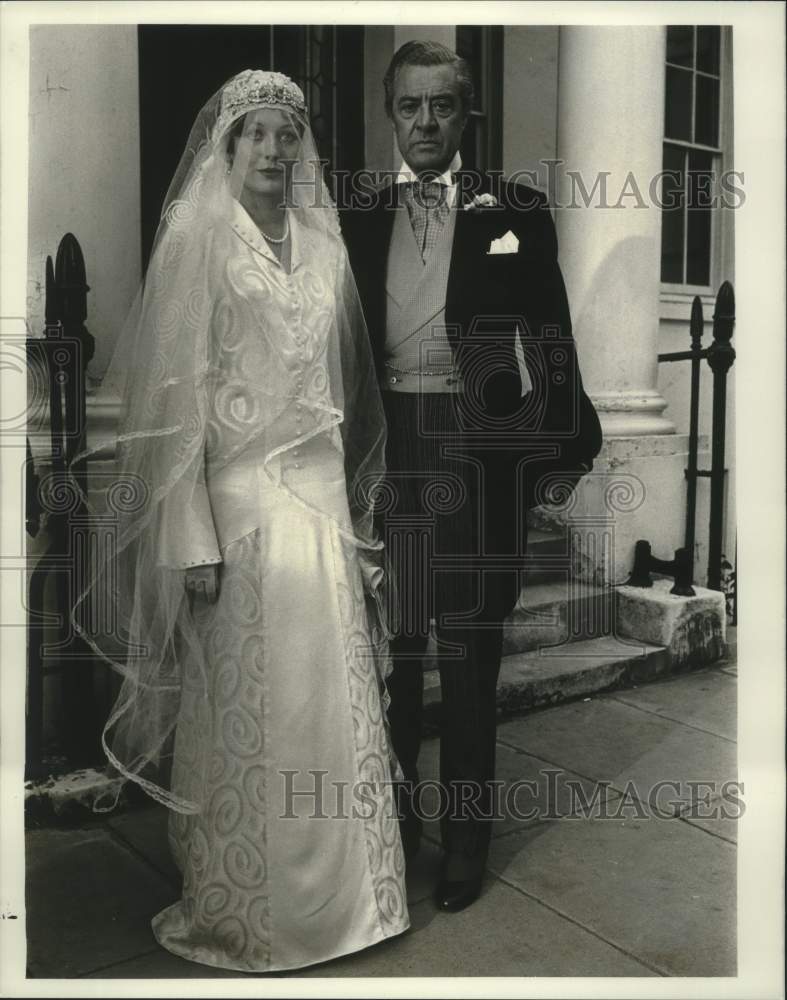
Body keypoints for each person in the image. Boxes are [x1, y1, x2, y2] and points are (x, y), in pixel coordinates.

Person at [73, 69, 409, 973]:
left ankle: (355, 902)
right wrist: (190, 539)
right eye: (254, 134)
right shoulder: (199, 238)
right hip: (239, 502)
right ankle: (254, 916)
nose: (272, 150)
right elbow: (178, 407)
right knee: (254, 704)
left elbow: (335, 389)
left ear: (302, 147)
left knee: (332, 700)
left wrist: (356, 525)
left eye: (286, 134)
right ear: (225, 148)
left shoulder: (324, 246)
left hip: (321, 495)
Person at [341, 41, 602, 913]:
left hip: (474, 457)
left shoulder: (516, 213)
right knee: (397, 654)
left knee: (468, 661)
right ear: (392, 113)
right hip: (391, 453)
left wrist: (556, 456)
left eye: (441, 107)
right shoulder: (357, 217)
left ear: (466, 115)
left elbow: (551, 344)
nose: (424, 123)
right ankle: (395, 830)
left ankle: (463, 845)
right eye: (409, 107)